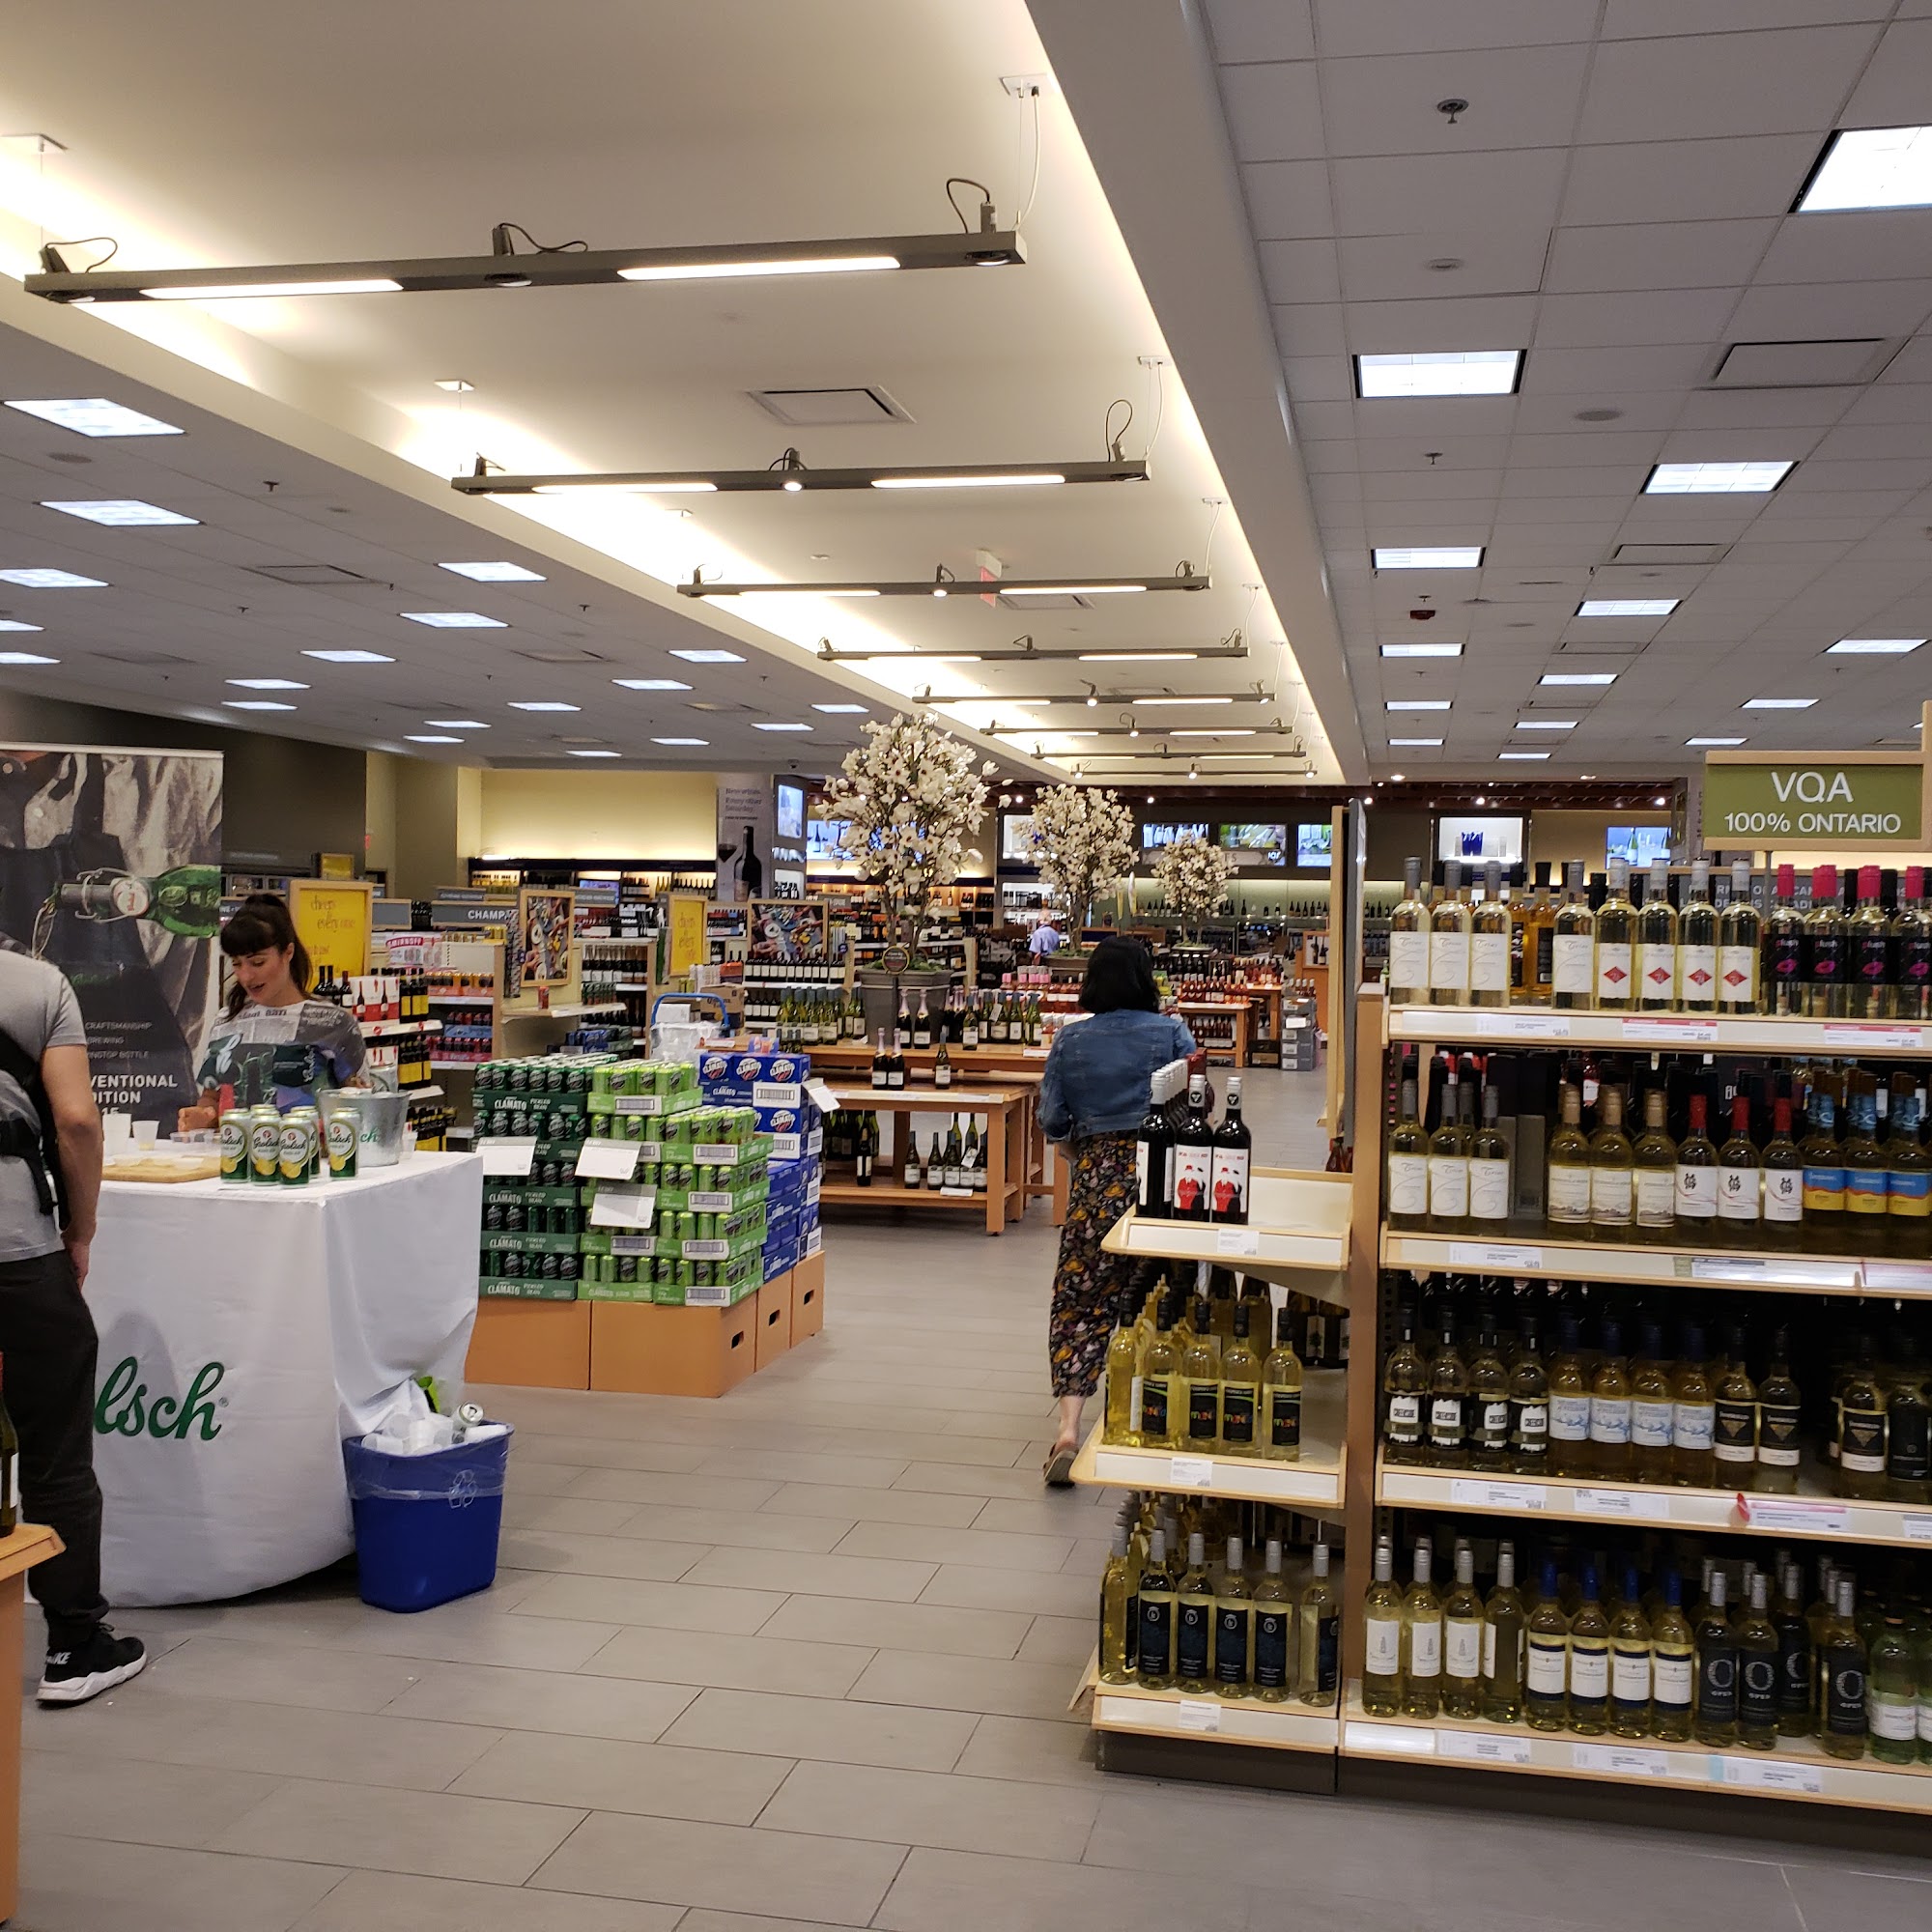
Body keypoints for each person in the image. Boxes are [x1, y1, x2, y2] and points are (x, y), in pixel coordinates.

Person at [0, 948, 146, 1704]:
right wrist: (80, 1229)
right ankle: (74, 1646)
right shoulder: (37, 985)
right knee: (54, 1454)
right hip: (19, 1254)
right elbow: (79, 1121)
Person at [1037, 936, 1194, 1485]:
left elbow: (1052, 1119)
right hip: (1163, 1180)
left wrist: (1080, 1149)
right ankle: (1155, 1415)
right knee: (1165, 1295)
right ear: (1145, 979)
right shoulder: (1171, 1032)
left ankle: (1069, 1429)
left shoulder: (1071, 1039)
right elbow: (1195, 1104)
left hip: (1096, 1181)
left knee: (1081, 1300)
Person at [179, 895, 366, 1124]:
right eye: (236, 963)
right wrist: (202, 1117)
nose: (246, 976)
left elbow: (361, 1103)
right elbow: (211, 1097)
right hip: (239, 1146)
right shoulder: (225, 1022)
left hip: (310, 1145)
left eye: (258, 962)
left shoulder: (334, 1023)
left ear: (288, 952)